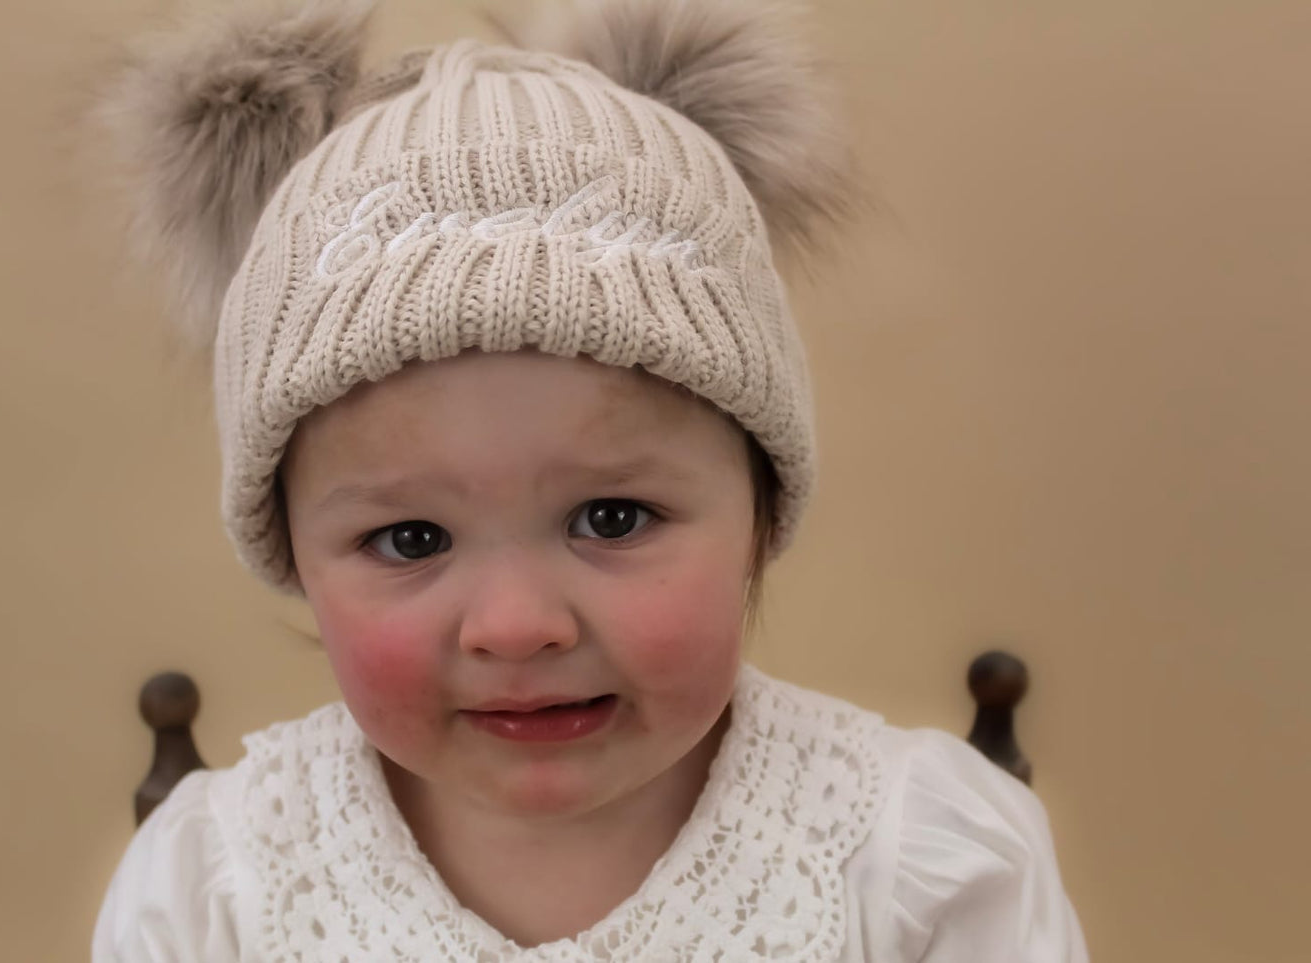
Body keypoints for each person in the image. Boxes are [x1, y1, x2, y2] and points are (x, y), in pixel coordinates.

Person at [90, 0, 1088, 959]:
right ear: (292, 554)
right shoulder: (212, 889)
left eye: (610, 517)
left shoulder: (917, 861)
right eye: (410, 539)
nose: (517, 625)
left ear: (759, 513)